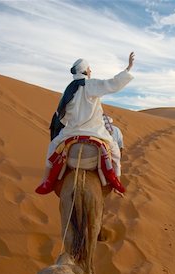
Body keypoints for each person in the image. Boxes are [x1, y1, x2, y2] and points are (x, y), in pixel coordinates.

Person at [36, 52, 135, 194]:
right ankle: (116, 183)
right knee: (115, 152)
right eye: (89, 69)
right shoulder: (91, 85)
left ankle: (45, 181)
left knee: (52, 147)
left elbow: (63, 116)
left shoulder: (69, 90)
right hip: (95, 132)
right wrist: (128, 68)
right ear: (84, 71)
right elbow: (112, 84)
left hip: (72, 132)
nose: (90, 71)